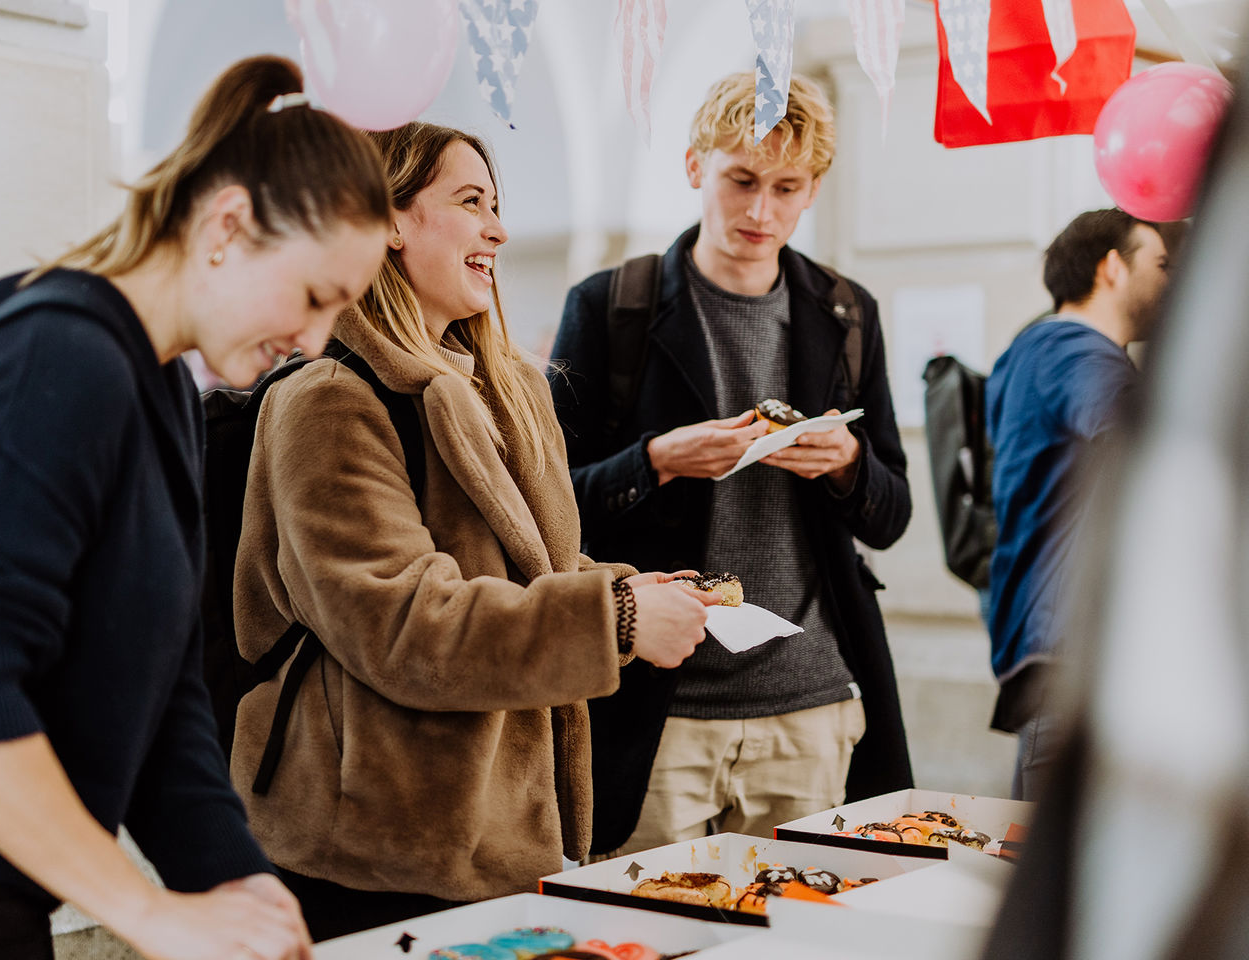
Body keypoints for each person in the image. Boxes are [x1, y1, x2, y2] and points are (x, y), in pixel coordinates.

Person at [0, 55, 391, 960]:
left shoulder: (158, 390)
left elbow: (161, 696)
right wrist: (148, 911)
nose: (314, 342)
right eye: (316, 297)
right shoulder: (62, 363)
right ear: (227, 226)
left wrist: (239, 883)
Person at [229, 121, 717, 941]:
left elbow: (531, 572)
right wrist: (617, 620)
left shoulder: (507, 390)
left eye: (497, 206)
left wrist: (621, 587)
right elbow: (400, 622)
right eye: (469, 202)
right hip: (377, 852)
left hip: (505, 835)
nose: (496, 228)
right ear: (388, 222)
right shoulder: (329, 397)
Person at [549, 72, 914, 856]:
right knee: (645, 936)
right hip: (656, 711)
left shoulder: (846, 312)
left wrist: (848, 463)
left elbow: (894, 514)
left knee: (797, 937)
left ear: (812, 190)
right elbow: (548, 513)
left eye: (787, 187)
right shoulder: (612, 306)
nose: (761, 211)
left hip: (810, 705)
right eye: (741, 180)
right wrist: (657, 461)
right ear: (694, 167)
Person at [986, 209, 1168, 801]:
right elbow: (1147, 444)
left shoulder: (1030, 349)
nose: (1173, 282)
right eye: (1161, 265)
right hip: (1075, 660)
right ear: (1113, 267)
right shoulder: (1076, 351)